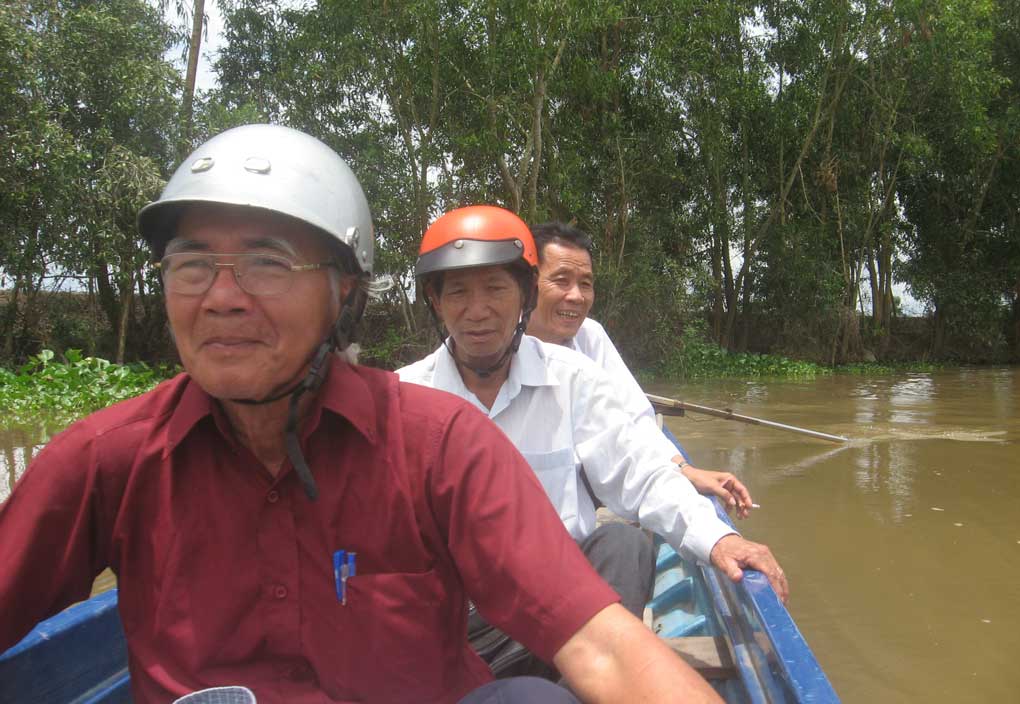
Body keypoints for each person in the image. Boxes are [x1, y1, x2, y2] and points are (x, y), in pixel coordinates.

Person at [0, 126, 724, 704]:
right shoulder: (107, 459)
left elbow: (602, 638)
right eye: (192, 266)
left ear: (346, 295)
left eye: (267, 263)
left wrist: (713, 534)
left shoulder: (440, 442)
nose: (220, 297)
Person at [398, 206, 787, 615]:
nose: (477, 311)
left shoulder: (574, 379)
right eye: (458, 291)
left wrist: (718, 539)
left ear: (525, 295)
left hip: (557, 607)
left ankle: (588, 670)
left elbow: (641, 473)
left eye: (495, 289)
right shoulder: (401, 398)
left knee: (624, 544)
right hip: (454, 616)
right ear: (435, 301)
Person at [527, 221, 755, 518]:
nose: (576, 296)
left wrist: (683, 469)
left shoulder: (589, 335)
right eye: (561, 280)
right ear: (527, 283)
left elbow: (634, 415)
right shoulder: (498, 349)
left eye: (585, 283)